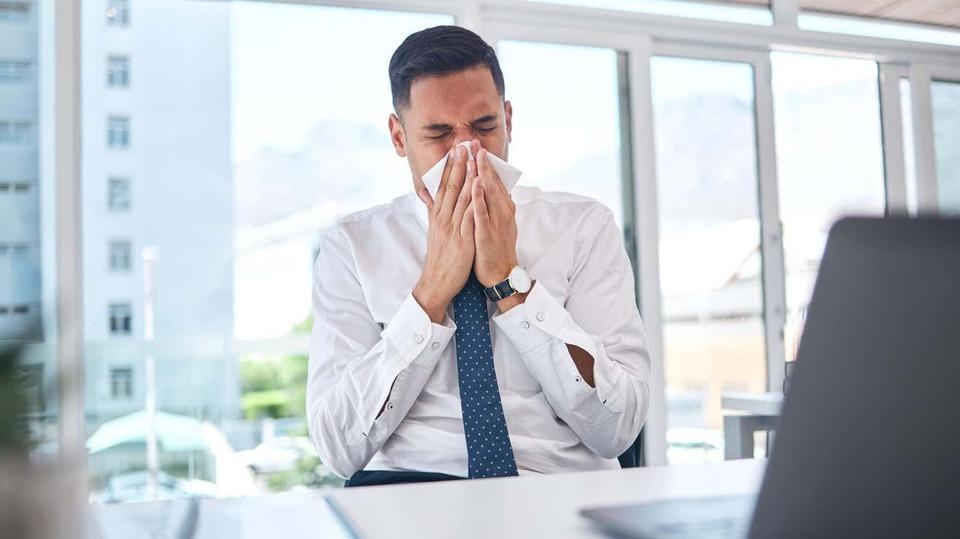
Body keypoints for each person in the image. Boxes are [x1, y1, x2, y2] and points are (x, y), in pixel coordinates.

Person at [306, 25, 651, 487]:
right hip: (411, 493)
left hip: (560, 487)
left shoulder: (584, 227)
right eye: (439, 133)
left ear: (508, 119)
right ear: (398, 137)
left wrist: (511, 283)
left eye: (485, 126)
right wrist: (430, 293)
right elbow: (337, 448)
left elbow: (619, 428)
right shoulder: (352, 247)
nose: (467, 151)